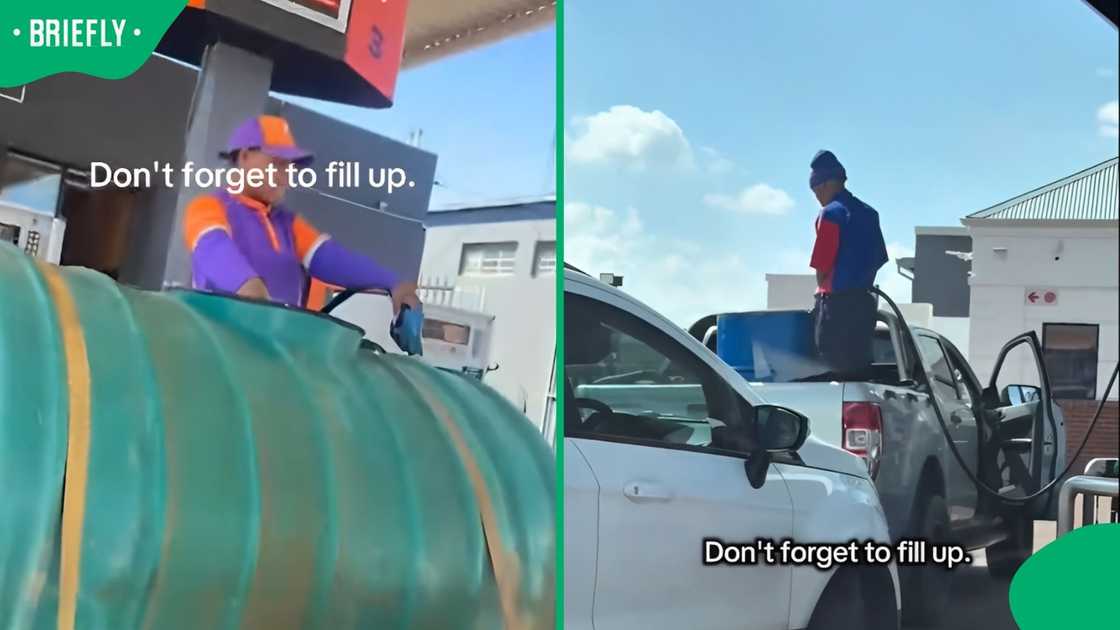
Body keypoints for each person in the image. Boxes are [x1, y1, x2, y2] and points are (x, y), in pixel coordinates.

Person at [182, 114, 419, 315]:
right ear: (244, 157)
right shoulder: (208, 207)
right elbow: (213, 248)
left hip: (275, 344)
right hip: (217, 344)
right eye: (277, 164)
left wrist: (392, 283)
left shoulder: (287, 224)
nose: (285, 176)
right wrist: (248, 286)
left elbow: (329, 258)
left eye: (289, 167)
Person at [807, 150, 888, 378]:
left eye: (816, 191)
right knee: (858, 373)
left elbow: (822, 266)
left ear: (825, 184)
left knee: (832, 376)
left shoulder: (831, 214)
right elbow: (879, 259)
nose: (817, 197)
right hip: (863, 306)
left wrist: (824, 297)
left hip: (835, 310)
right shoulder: (870, 214)